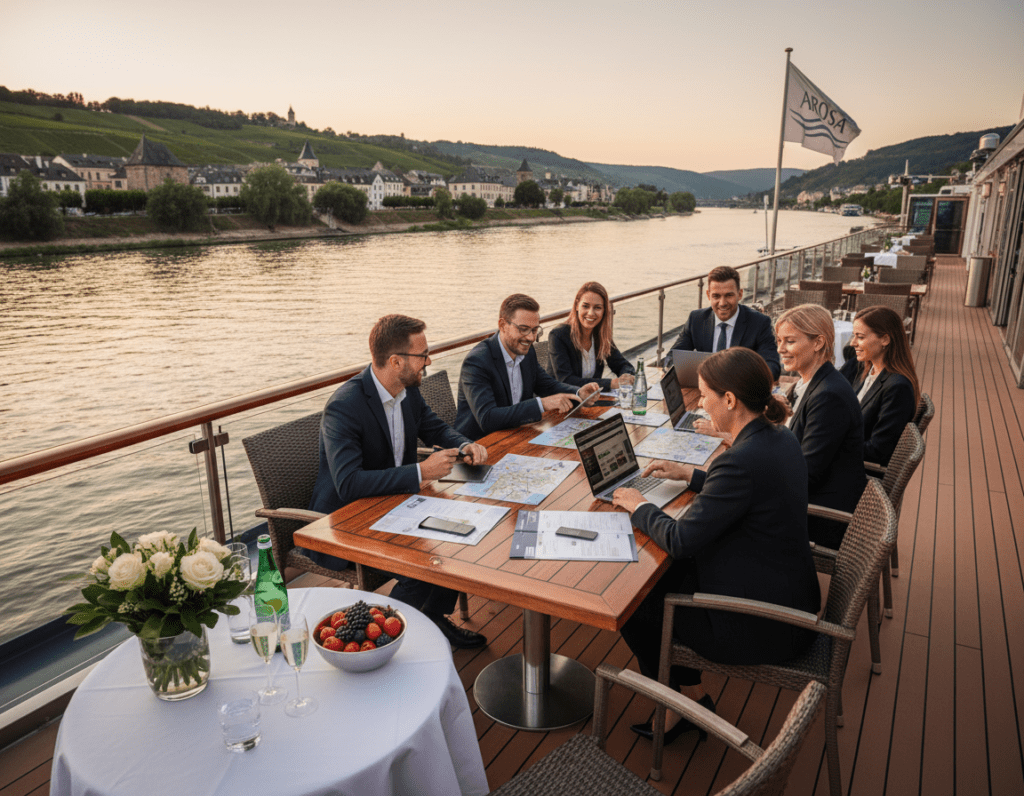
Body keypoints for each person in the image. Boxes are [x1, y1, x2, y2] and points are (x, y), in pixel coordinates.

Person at [612, 348, 820, 744]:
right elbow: (751, 490)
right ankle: (691, 697)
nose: (702, 402)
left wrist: (640, 506)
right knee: (662, 583)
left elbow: (679, 539)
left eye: (706, 395)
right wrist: (692, 475)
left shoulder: (740, 460)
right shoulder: (779, 439)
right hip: (789, 595)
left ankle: (676, 705)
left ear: (729, 400)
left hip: (764, 623)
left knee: (636, 607)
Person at [307, 314, 489, 648]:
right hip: (350, 518)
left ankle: (432, 620)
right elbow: (348, 484)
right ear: (395, 361)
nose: (428, 362)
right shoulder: (344, 406)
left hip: (395, 502)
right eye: (423, 355)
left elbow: (434, 427)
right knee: (420, 562)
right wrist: (421, 473)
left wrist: (463, 443)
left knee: (460, 536)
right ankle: (388, 638)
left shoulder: (407, 391)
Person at [776, 304, 867, 549]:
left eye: (790, 341)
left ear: (818, 343)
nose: (780, 349)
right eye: (779, 341)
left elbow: (805, 475)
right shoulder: (814, 383)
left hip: (820, 515)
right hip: (812, 498)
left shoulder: (829, 397)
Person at [454, 293, 600, 440]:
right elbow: (487, 418)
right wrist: (541, 404)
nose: (531, 337)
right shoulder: (477, 362)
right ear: (503, 325)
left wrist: (579, 393)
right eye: (523, 329)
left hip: (517, 435)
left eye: (535, 330)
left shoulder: (527, 352)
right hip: (478, 447)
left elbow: (546, 385)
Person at [668, 265, 781, 379]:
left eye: (729, 295)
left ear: (740, 294)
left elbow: (772, 367)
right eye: (716, 296)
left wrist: (741, 379)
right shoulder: (696, 319)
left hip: (740, 390)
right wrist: (672, 369)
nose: (722, 303)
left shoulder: (759, 322)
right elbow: (672, 357)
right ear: (708, 295)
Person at [842, 306, 920, 467]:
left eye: (860, 337)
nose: (853, 343)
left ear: (885, 339)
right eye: (853, 336)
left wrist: (831, 443)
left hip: (852, 470)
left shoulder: (897, 388)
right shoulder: (866, 368)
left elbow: (878, 451)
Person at [547, 281, 635, 391]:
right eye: (586, 306)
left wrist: (626, 377)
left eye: (597, 308)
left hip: (592, 400)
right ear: (576, 305)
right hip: (562, 401)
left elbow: (623, 365)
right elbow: (566, 380)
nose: (591, 313)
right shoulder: (558, 335)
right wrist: (610, 383)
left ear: (604, 311)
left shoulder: (600, 335)